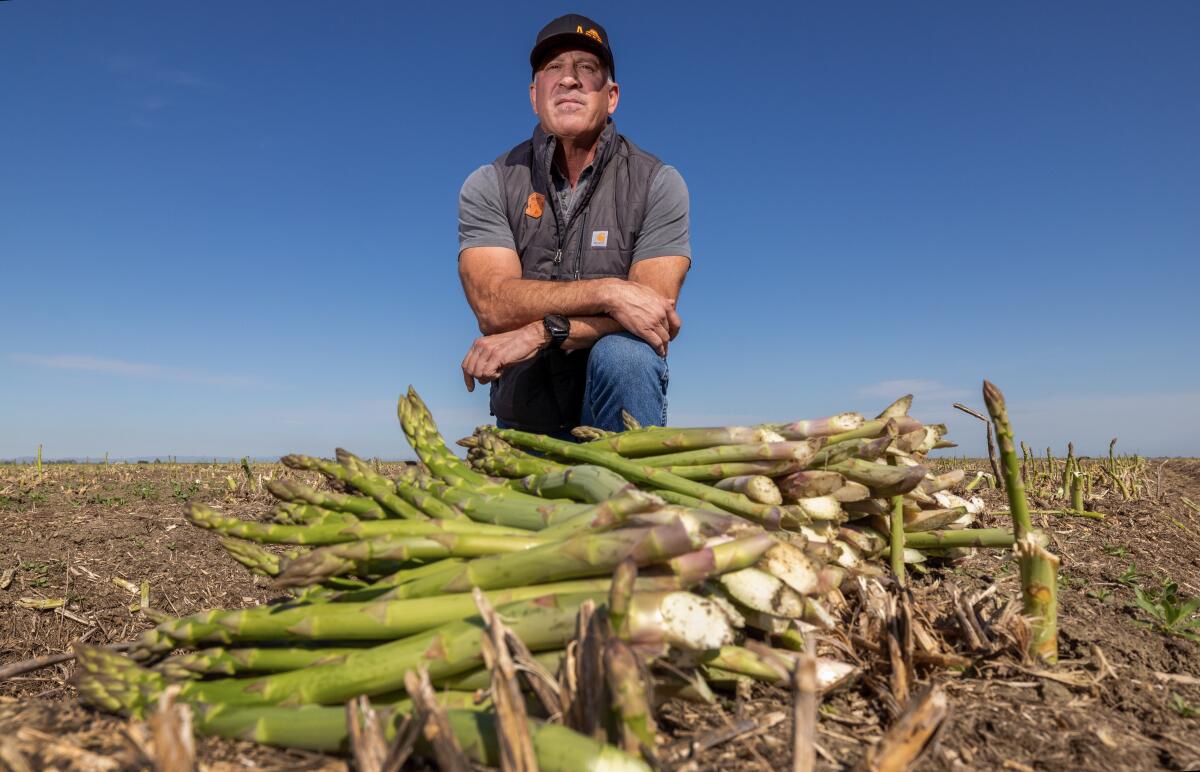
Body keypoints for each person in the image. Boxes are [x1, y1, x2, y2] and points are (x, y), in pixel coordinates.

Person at [457, 13, 691, 436]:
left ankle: (630, 491)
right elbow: (492, 303)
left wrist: (542, 331)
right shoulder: (489, 183)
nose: (569, 80)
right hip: (525, 411)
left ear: (612, 96)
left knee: (627, 355)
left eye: (587, 69)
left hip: (613, 406)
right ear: (534, 94)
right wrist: (609, 292)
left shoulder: (658, 183)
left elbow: (653, 316)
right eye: (553, 68)